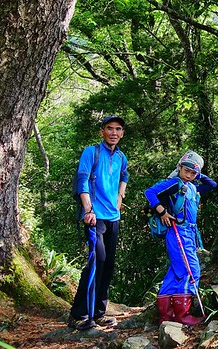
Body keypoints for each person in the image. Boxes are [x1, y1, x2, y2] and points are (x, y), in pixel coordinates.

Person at [69, 115, 129, 331]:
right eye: (110, 128)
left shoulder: (121, 157)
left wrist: (120, 197)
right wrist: (88, 210)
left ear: (122, 133)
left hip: (114, 217)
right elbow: (82, 180)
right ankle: (79, 314)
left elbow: (125, 175)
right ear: (102, 131)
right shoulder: (91, 152)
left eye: (118, 129)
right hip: (95, 217)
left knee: (109, 264)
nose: (114, 133)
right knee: (97, 262)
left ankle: (99, 313)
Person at [144, 150, 217, 325]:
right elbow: (150, 192)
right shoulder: (176, 183)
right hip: (178, 231)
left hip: (189, 233)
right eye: (186, 170)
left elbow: (212, 184)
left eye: (193, 173)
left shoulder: (192, 186)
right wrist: (162, 211)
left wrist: (196, 165)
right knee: (191, 270)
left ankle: (166, 316)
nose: (190, 175)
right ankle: (182, 316)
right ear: (179, 167)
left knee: (175, 273)